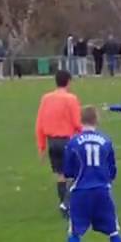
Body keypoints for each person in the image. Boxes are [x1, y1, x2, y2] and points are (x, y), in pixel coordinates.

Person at [63, 106, 121, 242]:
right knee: (113, 231)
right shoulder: (106, 141)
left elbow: (68, 170)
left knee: (74, 233)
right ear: (97, 120)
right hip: (102, 191)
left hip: (81, 192)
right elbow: (112, 170)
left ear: (81, 120)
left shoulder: (73, 142)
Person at [35, 69, 83, 217]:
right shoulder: (71, 99)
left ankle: (64, 205)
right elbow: (77, 123)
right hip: (67, 141)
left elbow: (39, 123)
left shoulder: (46, 98)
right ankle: (66, 204)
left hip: (52, 142)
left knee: (60, 174)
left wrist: (41, 146)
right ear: (68, 81)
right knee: (78, 173)